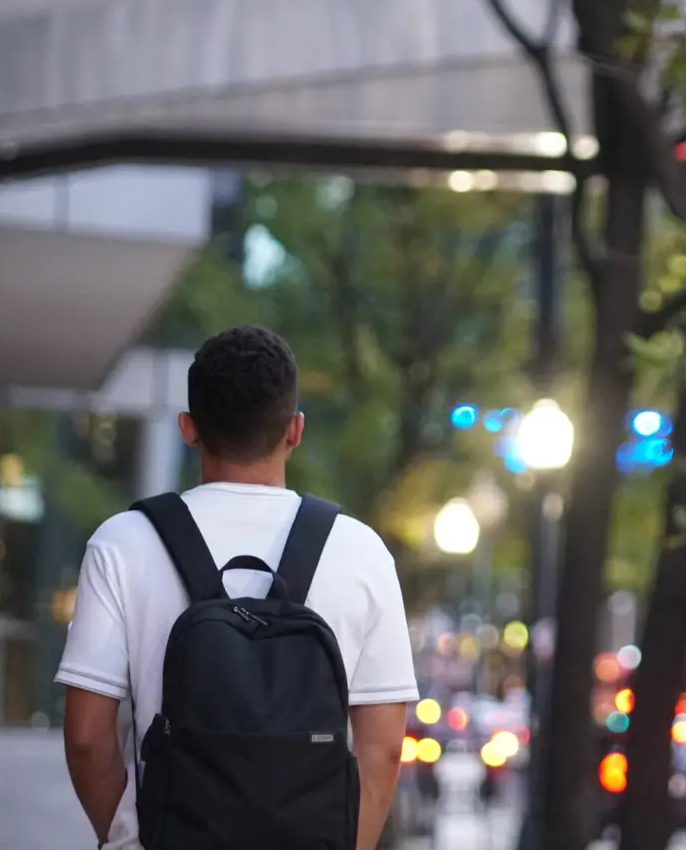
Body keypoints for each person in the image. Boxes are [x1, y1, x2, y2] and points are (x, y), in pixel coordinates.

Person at [56, 326, 419, 850]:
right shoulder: (361, 551)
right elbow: (382, 748)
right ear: (295, 430)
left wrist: (127, 839)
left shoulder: (122, 543)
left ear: (189, 428)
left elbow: (88, 738)